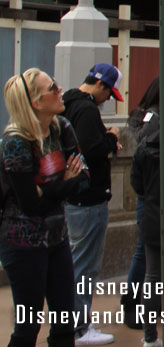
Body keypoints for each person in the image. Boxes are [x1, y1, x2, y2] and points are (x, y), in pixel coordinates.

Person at [1, 70, 87, 347]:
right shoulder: (16, 142)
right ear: (37, 103)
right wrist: (64, 183)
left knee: (65, 324)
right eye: (52, 87)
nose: (61, 88)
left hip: (57, 239)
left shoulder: (61, 126)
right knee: (28, 327)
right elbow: (31, 206)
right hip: (23, 244)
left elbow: (85, 179)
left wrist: (50, 189)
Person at [62, 62, 122, 346]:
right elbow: (93, 149)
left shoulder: (68, 103)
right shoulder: (86, 110)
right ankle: (80, 327)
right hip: (89, 199)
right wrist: (111, 137)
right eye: (109, 93)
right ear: (101, 85)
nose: (109, 99)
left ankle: (72, 323)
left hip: (74, 197)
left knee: (76, 263)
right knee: (85, 266)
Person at [123, 76, 159, 328]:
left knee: (144, 253)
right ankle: (134, 305)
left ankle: (136, 303)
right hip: (151, 197)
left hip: (147, 196)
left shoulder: (142, 116)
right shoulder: (156, 120)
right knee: (144, 254)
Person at [129, 94, 163, 347]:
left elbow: (136, 184)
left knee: (153, 275)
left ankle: (150, 337)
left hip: (152, 212)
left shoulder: (143, 150)